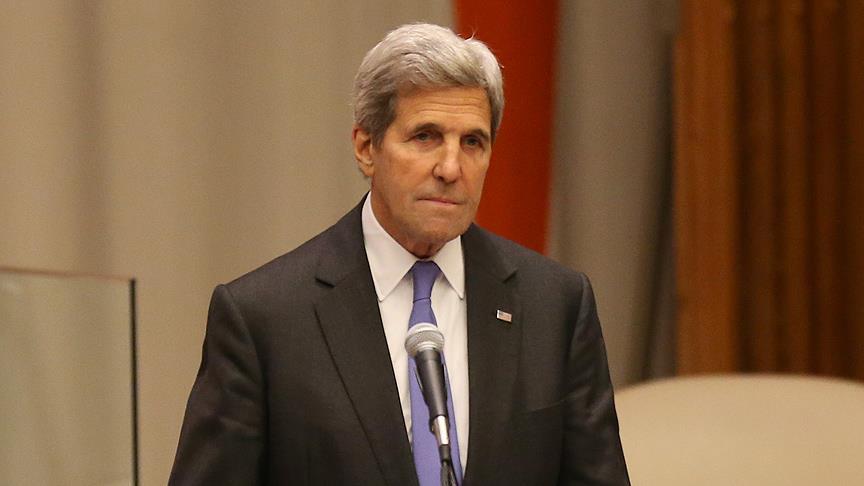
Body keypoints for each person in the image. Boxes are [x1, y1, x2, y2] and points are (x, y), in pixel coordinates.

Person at [170, 22, 630, 485]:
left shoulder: (555, 305)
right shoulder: (265, 318)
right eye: (426, 136)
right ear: (365, 148)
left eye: (472, 142)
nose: (450, 168)